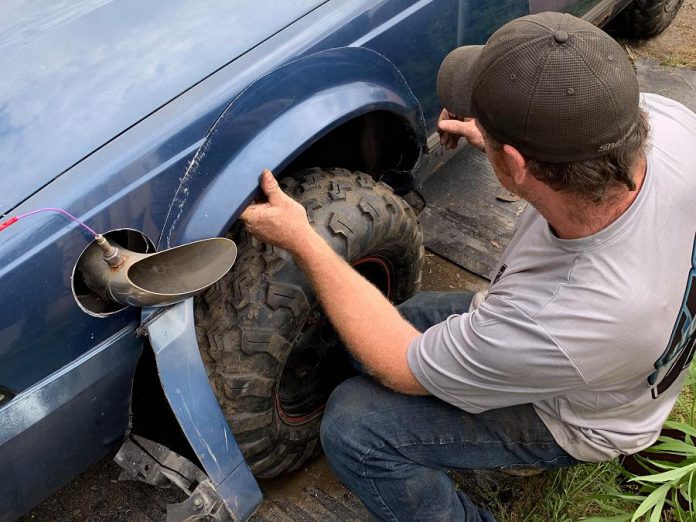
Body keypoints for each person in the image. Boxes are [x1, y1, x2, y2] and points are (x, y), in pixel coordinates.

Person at [240, 12, 696, 521]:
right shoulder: (672, 129)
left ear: (519, 165)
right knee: (386, 324)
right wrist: (503, 137)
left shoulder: (562, 317)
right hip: (613, 361)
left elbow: (398, 363)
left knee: (355, 426)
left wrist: (305, 240)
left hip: (576, 415)